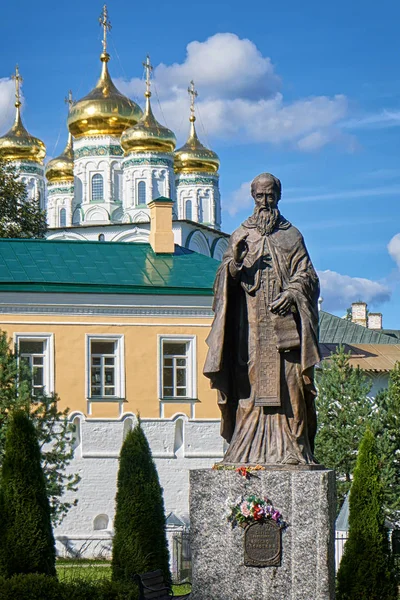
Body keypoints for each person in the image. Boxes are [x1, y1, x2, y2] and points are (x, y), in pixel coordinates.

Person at [204, 173, 321, 465]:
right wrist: (234, 263)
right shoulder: (242, 234)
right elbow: (222, 282)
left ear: (278, 197)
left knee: (291, 385)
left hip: (286, 328)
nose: (265, 202)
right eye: (260, 196)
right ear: (252, 197)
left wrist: (293, 291)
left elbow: (308, 275)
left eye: (270, 196)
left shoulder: (291, 235)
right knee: (250, 381)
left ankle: (293, 449)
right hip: (250, 326)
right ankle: (246, 448)